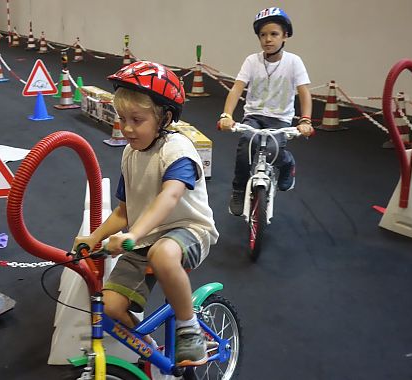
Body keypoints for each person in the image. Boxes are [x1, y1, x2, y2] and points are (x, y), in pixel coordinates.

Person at [74, 61, 219, 366]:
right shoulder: (130, 153)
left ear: (164, 117)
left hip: (188, 229)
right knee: (110, 306)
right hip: (141, 240)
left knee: (163, 255)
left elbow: (170, 197)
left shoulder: (177, 149)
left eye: (136, 120)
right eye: (122, 118)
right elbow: (125, 211)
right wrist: (94, 238)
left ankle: (189, 328)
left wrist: (132, 235)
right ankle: (152, 350)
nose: (126, 128)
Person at [218, 7, 314, 216]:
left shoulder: (294, 62)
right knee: (246, 148)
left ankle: (288, 164)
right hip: (254, 116)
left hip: (280, 119)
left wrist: (305, 120)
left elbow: (304, 92)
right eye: (263, 35)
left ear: (285, 36)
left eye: (274, 34)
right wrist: (226, 115)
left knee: (274, 152)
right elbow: (236, 88)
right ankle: (239, 188)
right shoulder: (252, 61)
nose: (268, 39)